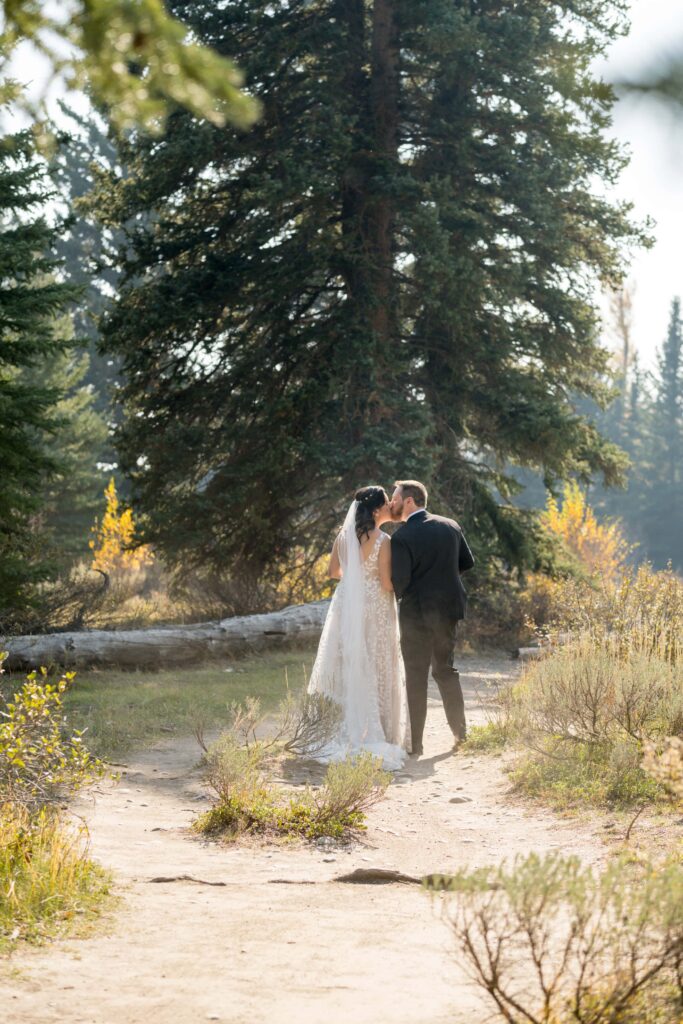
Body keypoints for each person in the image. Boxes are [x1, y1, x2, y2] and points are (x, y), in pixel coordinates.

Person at [307, 486, 410, 768]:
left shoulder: (343, 537)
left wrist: (354, 578)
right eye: (386, 503)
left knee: (348, 661)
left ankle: (341, 726)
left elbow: (333, 573)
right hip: (375, 606)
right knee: (376, 661)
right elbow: (387, 582)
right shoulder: (382, 539)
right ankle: (377, 730)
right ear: (377, 509)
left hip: (347, 603)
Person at [390, 480, 474, 756]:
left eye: (396, 498)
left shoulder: (403, 537)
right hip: (447, 610)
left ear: (410, 501)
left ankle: (417, 744)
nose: (393, 503)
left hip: (416, 614)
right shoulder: (450, 525)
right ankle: (461, 735)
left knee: (416, 676)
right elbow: (466, 563)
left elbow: (400, 582)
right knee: (445, 670)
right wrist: (441, 581)